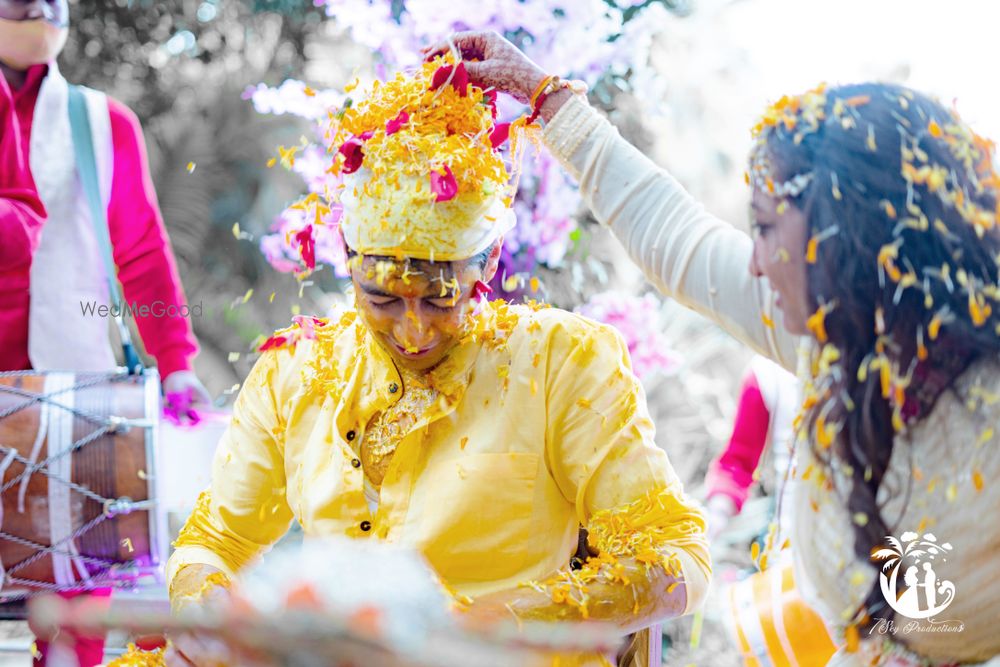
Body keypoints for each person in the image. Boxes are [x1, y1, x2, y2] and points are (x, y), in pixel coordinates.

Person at [427, 31, 1000, 666]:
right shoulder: (834, 337)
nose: (752, 263)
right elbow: (679, 242)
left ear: (846, 239)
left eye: (762, 227)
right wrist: (544, 98)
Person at [163, 55, 710, 667]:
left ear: (489, 263)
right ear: (348, 260)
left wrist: (502, 621)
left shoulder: (562, 361)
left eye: (440, 299)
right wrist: (205, 613)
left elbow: (676, 560)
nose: (414, 330)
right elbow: (214, 540)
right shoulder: (297, 368)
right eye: (383, 299)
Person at [0, 2, 208, 664]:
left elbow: (142, 250)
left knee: (77, 625)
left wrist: (174, 360)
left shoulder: (101, 122)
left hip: (74, 388)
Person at [704, 355, 799, 543]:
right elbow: (738, 460)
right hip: (791, 538)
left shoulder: (867, 358)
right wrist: (717, 512)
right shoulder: (767, 373)